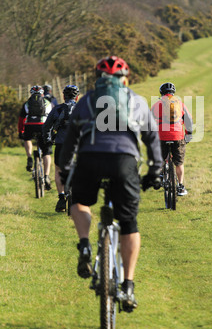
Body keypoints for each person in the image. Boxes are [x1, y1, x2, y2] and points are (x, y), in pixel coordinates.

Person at [59, 56, 162, 312]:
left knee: (80, 201)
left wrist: (66, 168)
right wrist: (155, 170)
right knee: (129, 223)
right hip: (124, 163)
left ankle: (84, 244)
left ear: (98, 78)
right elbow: (152, 137)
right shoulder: (136, 101)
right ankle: (128, 285)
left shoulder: (86, 101)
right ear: (125, 78)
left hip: (89, 160)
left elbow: (70, 139)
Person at [151, 82, 193, 196]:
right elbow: (188, 120)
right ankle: (180, 186)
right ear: (173, 93)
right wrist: (189, 134)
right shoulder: (180, 104)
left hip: (162, 136)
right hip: (177, 136)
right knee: (179, 163)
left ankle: (160, 174)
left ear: (161, 93)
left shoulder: (156, 105)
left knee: (159, 157)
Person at [43, 85, 80, 212]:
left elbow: (46, 127)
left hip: (61, 144)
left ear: (63, 96)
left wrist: (48, 139)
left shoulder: (57, 109)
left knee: (59, 170)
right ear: (77, 97)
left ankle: (61, 198)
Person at [18, 85, 53, 190]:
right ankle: (46, 176)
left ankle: (29, 158)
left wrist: (21, 132)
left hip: (30, 126)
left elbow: (21, 119)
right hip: (43, 126)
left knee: (27, 139)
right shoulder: (48, 103)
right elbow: (53, 117)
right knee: (46, 152)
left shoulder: (27, 103)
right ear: (42, 93)